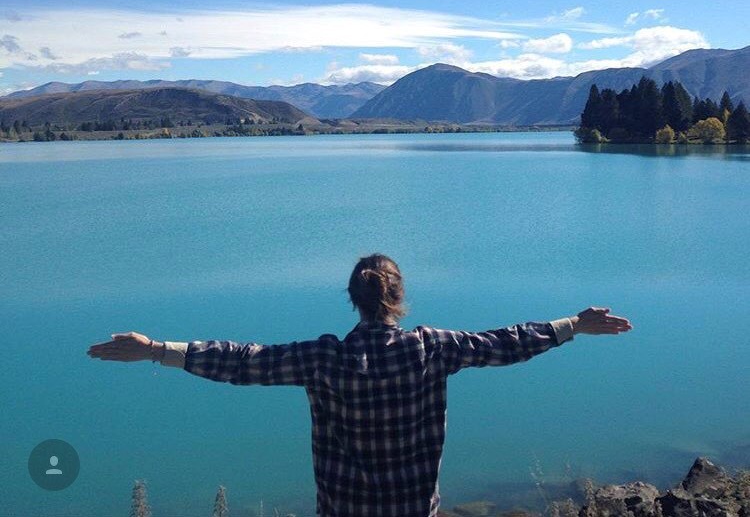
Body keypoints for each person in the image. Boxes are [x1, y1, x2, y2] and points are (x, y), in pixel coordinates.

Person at [87, 253, 632, 517]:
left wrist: (159, 349)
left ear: (354, 299)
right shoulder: (431, 348)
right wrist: (572, 326)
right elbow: (505, 342)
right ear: (398, 298)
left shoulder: (325, 358)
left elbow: (241, 362)